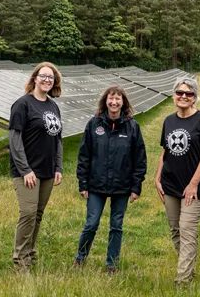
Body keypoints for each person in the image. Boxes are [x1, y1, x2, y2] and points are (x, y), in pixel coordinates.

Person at [73, 86, 147, 274]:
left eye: (118, 99)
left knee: (116, 226)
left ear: (124, 102)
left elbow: (140, 159)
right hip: (96, 186)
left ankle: (112, 264)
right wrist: (83, 182)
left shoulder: (132, 126)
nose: (114, 102)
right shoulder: (94, 124)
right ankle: (80, 258)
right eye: (111, 99)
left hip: (122, 187)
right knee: (91, 224)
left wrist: (136, 186)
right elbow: (84, 156)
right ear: (105, 101)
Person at [154, 77, 200, 284]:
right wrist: (157, 177)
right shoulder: (169, 121)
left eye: (188, 94)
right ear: (174, 95)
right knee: (175, 230)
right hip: (170, 184)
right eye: (179, 93)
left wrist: (193, 184)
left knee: (187, 229)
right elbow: (165, 151)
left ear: (195, 97)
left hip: (193, 187)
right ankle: (188, 269)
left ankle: (182, 280)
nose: (183, 96)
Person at [9, 62, 64, 274]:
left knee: (38, 214)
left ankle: (30, 254)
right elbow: (14, 140)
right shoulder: (22, 105)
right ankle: (20, 260)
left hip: (47, 171)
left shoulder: (53, 106)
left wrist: (58, 166)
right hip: (27, 171)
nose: (47, 80)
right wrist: (25, 170)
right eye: (43, 76)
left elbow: (57, 139)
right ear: (35, 78)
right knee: (28, 212)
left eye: (51, 78)